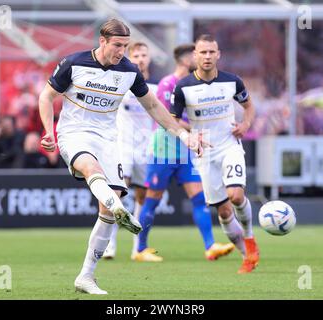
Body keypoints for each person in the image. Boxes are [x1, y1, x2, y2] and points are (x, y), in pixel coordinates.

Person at [38, 18, 207, 295]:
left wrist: (184, 135)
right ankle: (116, 205)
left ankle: (86, 276)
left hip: (108, 138)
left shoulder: (128, 71)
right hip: (73, 133)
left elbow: (153, 105)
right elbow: (46, 97)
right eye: (117, 45)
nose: (121, 51)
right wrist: (48, 132)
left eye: (125, 46)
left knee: (108, 208)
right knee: (92, 170)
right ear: (102, 41)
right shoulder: (74, 63)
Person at [134, 44, 234, 262]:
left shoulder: (194, 85)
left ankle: (210, 246)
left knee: (199, 197)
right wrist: (196, 130)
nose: (201, 58)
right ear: (184, 59)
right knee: (152, 199)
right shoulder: (167, 84)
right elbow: (169, 119)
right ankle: (140, 249)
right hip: (164, 148)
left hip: (186, 149)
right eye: (195, 55)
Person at [170, 34, 260, 274]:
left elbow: (249, 106)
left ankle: (250, 241)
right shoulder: (184, 87)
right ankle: (246, 256)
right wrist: (189, 134)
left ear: (218, 55)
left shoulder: (232, 82)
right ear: (195, 56)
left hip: (229, 146)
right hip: (204, 154)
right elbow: (172, 120)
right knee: (222, 210)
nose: (207, 57)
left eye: (212, 52)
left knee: (237, 196)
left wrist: (245, 125)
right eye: (203, 52)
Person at [103, 41, 158, 259]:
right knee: (118, 193)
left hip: (147, 148)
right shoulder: (120, 83)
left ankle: (138, 247)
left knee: (143, 198)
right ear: (130, 58)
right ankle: (110, 245)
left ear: (149, 59)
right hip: (123, 146)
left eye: (144, 55)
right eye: (136, 56)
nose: (140, 59)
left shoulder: (154, 88)